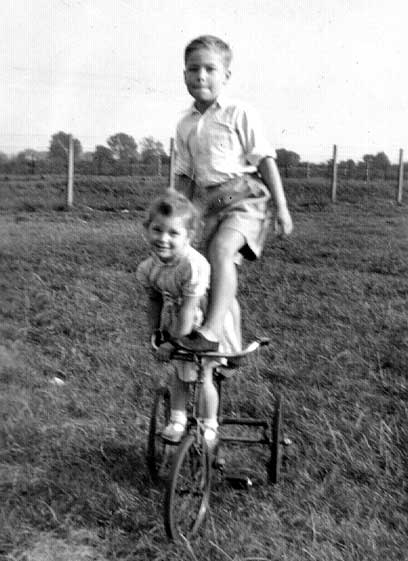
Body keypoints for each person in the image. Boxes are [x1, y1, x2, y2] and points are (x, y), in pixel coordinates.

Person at [174, 35, 293, 352]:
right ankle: (230, 349)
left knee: (222, 251)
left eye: (210, 69)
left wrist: (282, 208)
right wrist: (176, 214)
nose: (201, 76)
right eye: (193, 69)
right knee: (211, 277)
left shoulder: (238, 113)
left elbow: (265, 160)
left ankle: (211, 332)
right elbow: (185, 176)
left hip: (246, 199)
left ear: (226, 76)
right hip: (210, 205)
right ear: (184, 74)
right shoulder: (184, 124)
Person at [137, 192, 239, 444]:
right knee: (181, 373)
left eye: (173, 233)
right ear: (147, 229)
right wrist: (156, 334)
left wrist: (175, 343)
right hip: (178, 322)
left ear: (189, 236)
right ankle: (178, 419)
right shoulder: (149, 267)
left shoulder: (192, 265)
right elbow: (154, 300)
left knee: (204, 374)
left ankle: (209, 424)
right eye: (157, 230)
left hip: (203, 321)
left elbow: (190, 308)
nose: (163, 238)